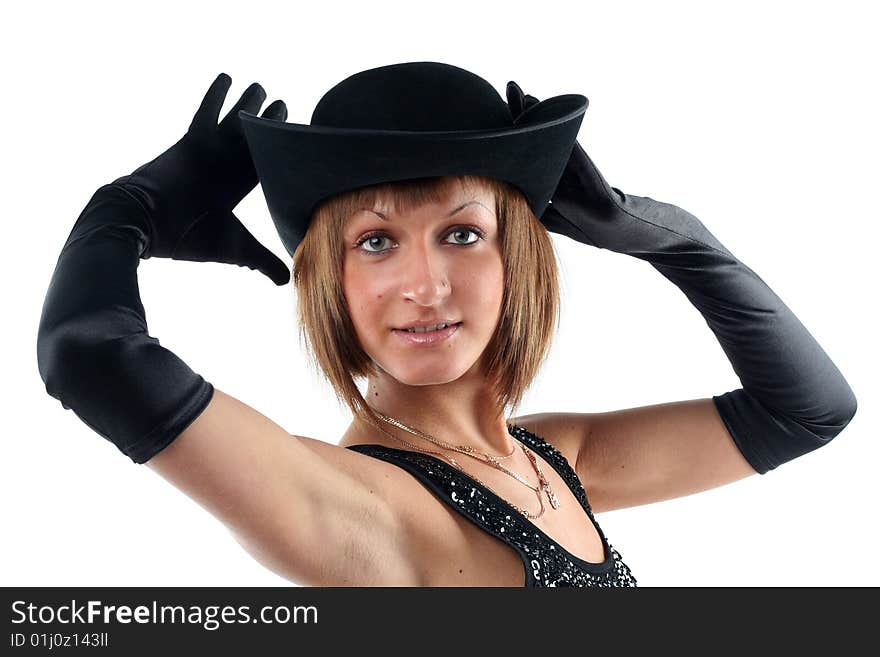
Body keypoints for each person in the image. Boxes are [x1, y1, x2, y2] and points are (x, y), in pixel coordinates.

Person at [36, 63, 857, 587]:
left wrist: (677, 243)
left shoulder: (551, 459)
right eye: (376, 241)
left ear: (517, 260)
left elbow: (808, 410)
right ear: (336, 279)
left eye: (462, 233)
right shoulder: (362, 504)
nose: (424, 284)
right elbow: (87, 354)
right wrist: (125, 213)